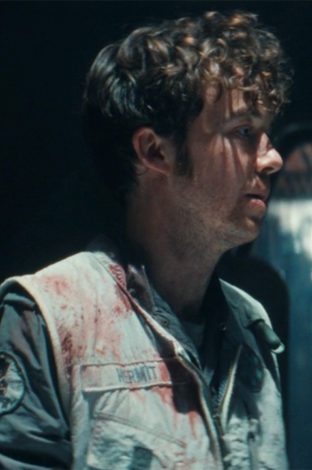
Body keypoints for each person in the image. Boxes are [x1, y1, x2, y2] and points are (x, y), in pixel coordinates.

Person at [0, 11, 291, 469]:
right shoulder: (48, 317)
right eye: (243, 132)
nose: (272, 158)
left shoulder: (252, 327)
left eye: (265, 133)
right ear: (155, 151)